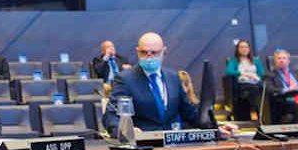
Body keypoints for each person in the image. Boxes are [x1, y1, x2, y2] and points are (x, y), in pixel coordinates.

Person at [102, 32, 237, 135]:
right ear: (137, 52)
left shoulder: (173, 77)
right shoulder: (125, 79)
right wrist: (125, 131)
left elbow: (190, 114)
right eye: (144, 53)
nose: (149, 57)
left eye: (154, 53)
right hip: (143, 146)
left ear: (164, 52)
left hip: (173, 143)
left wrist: (216, 127)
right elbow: (111, 115)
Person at [263, 49, 298, 124]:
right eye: (279, 58)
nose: (281, 60)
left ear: (288, 61)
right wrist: (288, 89)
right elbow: (270, 90)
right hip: (285, 102)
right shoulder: (269, 75)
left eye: (284, 58)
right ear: (275, 61)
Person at [225, 40, 265, 121]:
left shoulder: (256, 61)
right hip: (243, 84)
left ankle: (263, 114)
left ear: (249, 49)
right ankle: (259, 113)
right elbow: (229, 71)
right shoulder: (234, 61)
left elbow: (262, 74)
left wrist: (256, 77)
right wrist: (244, 73)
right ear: (238, 49)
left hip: (256, 82)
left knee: (264, 89)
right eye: (241, 47)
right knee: (254, 89)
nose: (244, 49)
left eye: (246, 47)